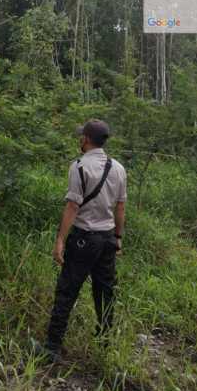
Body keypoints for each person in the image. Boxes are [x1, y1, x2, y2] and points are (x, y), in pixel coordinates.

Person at [40, 119, 127, 361]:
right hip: (108, 238)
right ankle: (105, 341)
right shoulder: (118, 168)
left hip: (83, 239)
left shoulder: (78, 166)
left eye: (82, 136)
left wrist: (59, 240)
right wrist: (118, 238)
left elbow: (72, 206)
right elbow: (120, 207)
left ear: (86, 139)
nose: (80, 139)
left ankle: (52, 347)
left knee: (67, 291)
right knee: (105, 291)